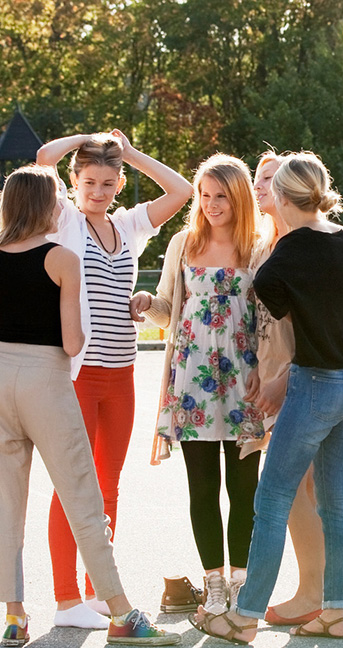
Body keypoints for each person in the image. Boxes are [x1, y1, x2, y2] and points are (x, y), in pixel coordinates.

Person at [191, 152, 343, 643]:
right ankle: (335, 612)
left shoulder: (288, 253)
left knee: (271, 499)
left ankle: (244, 617)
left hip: (314, 384)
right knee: (336, 503)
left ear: (283, 198)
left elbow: (269, 292)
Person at [0, 164, 177, 648]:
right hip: (47, 381)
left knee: (6, 503)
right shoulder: (62, 258)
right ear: (47, 206)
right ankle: (120, 612)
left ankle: (14, 615)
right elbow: (73, 340)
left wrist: (9, 335)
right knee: (83, 496)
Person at [35, 131, 193, 629]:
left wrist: (132, 153)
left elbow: (182, 191)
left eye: (107, 183)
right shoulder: (64, 219)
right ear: (74, 182)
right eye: (89, 183)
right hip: (78, 374)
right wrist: (87, 138)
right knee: (71, 485)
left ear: (119, 184)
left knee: (108, 486)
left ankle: (98, 591)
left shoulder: (127, 226)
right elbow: (42, 158)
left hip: (121, 372)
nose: (98, 192)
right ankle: (65, 600)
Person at [135, 154, 265, 616]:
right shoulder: (183, 244)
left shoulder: (259, 246)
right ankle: (213, 583)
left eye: (221, 196)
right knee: (202, 487)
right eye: (205, 195)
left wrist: (269, 370)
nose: (211, 204)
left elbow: (270, 317)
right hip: (193, 383)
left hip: (245, 381)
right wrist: (147, 302)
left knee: (245, 489)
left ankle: (242, 583)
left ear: (240, 197)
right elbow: (168, 309)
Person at [248, 152, 327, 626]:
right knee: (306, 486)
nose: (262, 185)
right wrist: (255, 367)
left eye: (271, 179)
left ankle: (314, 592)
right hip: (270, 374)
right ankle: (322, 590)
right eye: (258, 177)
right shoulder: (262, 246)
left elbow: (315, 324)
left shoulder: (306, 244)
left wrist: (284, 376)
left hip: (304, 376)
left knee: (295, 484)